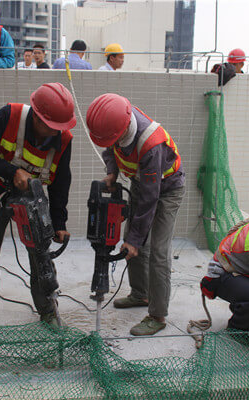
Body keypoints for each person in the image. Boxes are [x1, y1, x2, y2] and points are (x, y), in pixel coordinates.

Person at [0, 83, 75, 330]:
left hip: (33, 200)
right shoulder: (9, 115)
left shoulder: (63, 139)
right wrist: (12, 171)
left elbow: (61, 184)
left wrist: (59, 223)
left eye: (59, 128)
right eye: (51, 127)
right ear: (38, 117)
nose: (55, 132)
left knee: (40, 255)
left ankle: (48, 311)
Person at [86, 93, 185, 336]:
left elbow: (152, 199)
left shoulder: (152, 144)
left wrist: (135, 240)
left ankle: (158, 315)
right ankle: (140, 294)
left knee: (157, 252)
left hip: (168, 190)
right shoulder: (116, 121)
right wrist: (111, 172)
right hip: (143, 183)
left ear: (123, 130)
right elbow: (110, 149)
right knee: (133, 238)